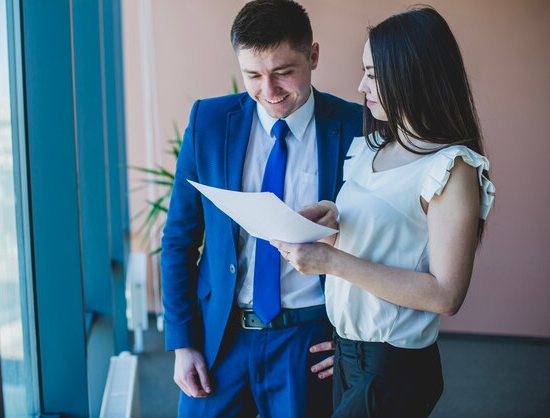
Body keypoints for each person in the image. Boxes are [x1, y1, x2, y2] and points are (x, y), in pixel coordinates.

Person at [272, 6, 496, 418]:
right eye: (365, 71)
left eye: (374, 74)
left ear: (413, 74)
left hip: (393, 366)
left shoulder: (451, 166)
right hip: (349, 355)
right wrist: (331, 219)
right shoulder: (371, 147)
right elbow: (383, 238)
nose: (361, 85)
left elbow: (446, 295)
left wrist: (331, 261)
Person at [160, 0, 362, 416]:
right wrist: (184, 342)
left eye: (284, 72)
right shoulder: (208, 121)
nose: (268, 91)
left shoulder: (358, 129)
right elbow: (179, 239)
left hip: (310, 342)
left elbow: (382, 247)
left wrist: (357, 345)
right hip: (221, 337)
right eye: (253, 75)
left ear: (313, 56)